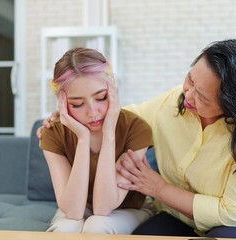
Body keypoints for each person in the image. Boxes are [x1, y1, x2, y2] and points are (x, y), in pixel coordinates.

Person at [38, 39, 236, 239]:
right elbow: (119, 118)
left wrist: (158, 188)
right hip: (179, 216)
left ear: (231, 106)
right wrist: (66, 114)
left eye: (202, 97)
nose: (187, 95)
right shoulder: (173, 102)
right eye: (190, 79)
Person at [39, 47, 154, 234]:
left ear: (113, 89)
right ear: (62, 101)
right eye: (77, 104)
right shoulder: (53, 132)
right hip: (77, 208)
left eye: (101, 97)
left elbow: (103, 208)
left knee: (97, 226)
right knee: (65, 229)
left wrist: (109, 134)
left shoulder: (136, 129)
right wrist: (83, 140)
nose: (93, 112)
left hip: (128, 209)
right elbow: (73, 211)